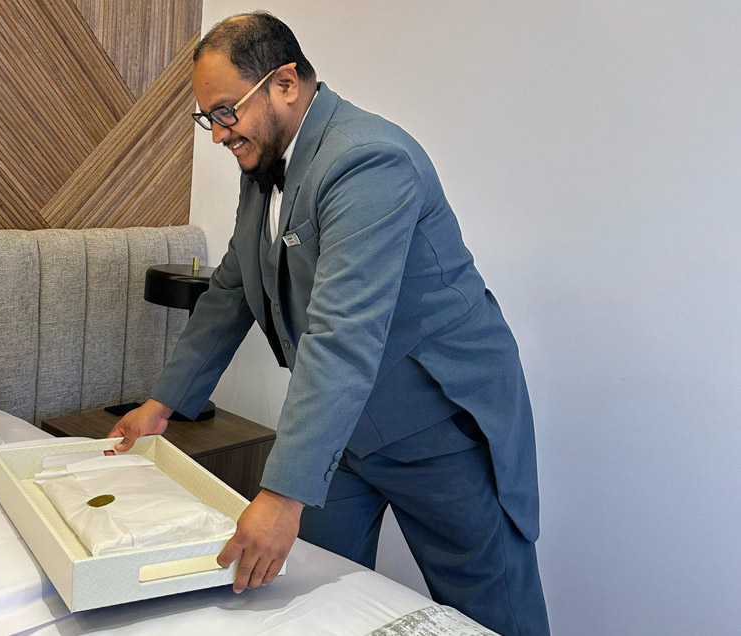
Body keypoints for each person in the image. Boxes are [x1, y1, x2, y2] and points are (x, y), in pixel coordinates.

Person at [107, 11, 550, 636]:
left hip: (439, 425)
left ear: (285, 82)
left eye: (225, 111)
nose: (217, 134)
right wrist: (163, 403)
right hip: (342, 429)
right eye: (208, 117)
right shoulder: (267, 164)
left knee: (494, 615)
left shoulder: (369, 160)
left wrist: (282, 495)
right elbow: (235, 285)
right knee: (309, 597)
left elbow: (343, 335)